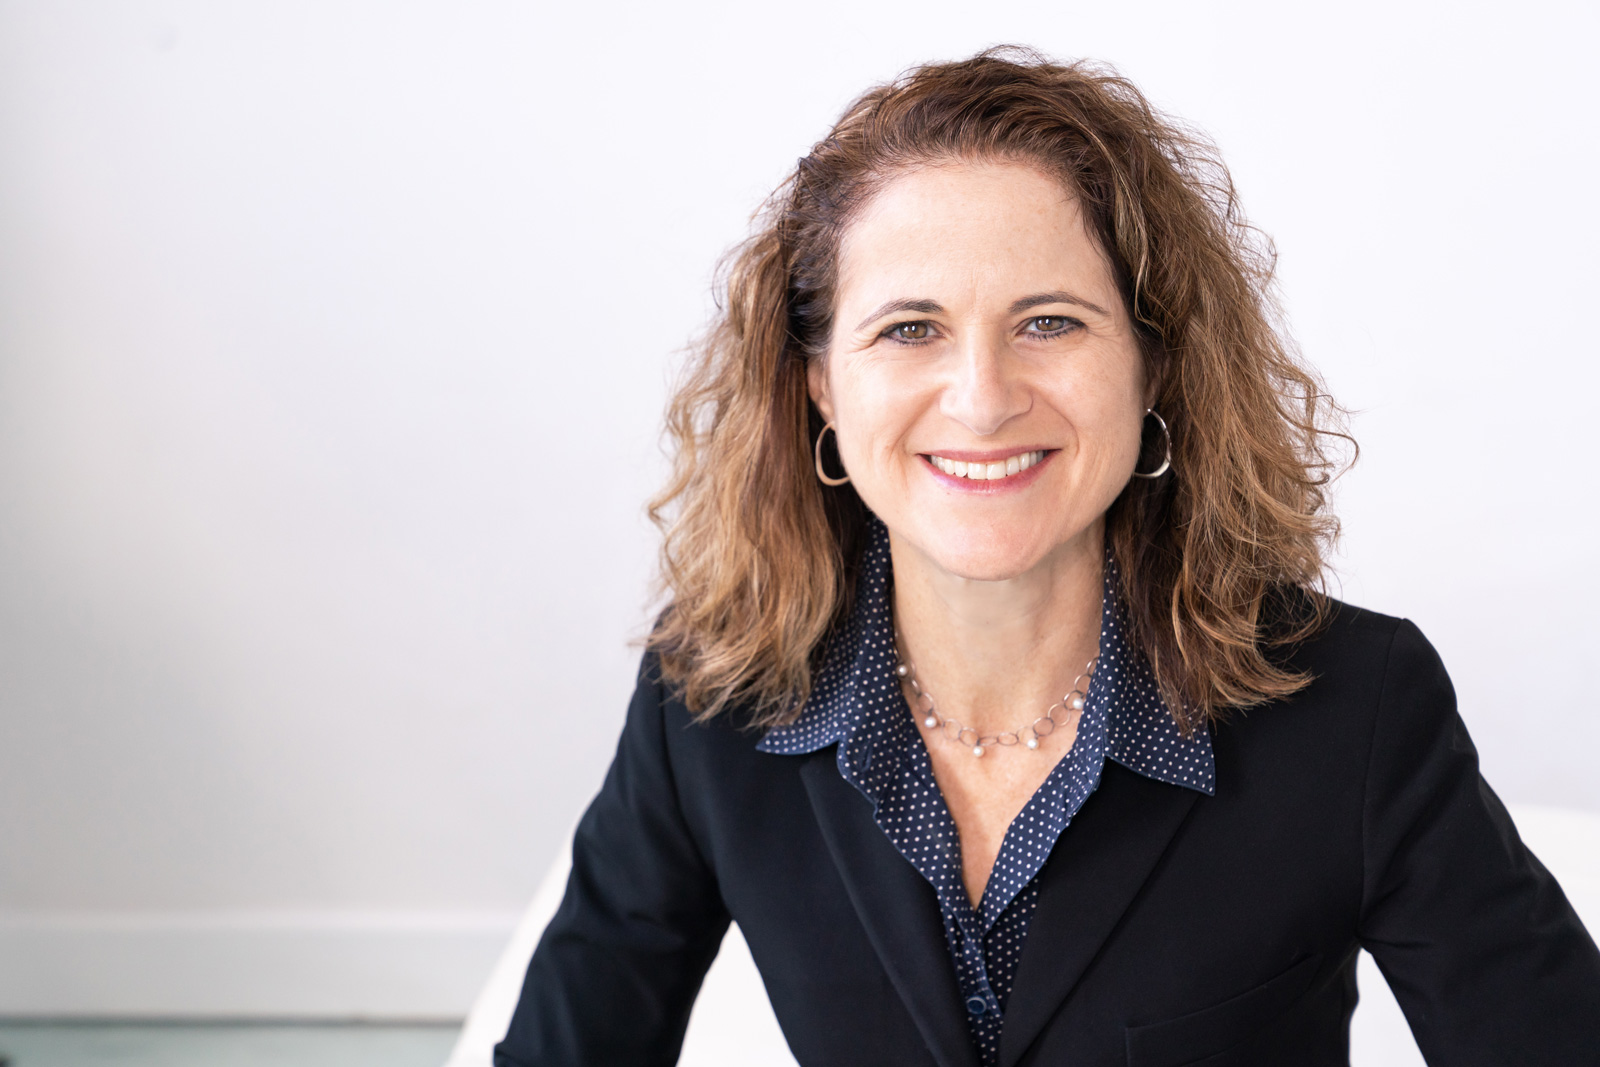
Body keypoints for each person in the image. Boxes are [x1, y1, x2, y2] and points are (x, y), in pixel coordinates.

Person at [494, 48, 1600, 1066]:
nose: (981, 399)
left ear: (1153, 365)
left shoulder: (1354, 708)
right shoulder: (711, 703)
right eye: (909, 328)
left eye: (1050, 322)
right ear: (823, 387)